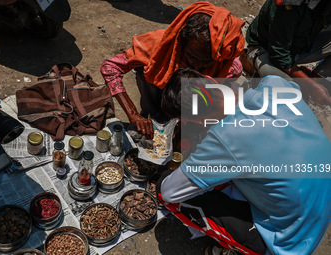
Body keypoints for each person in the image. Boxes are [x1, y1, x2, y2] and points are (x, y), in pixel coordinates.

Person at [157, 68, 331, 255]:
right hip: (321, 209)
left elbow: (170, 192)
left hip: (290, 242)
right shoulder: (274, 83)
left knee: (164, 187)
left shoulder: (225, 137)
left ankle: (242, 248)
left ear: (196, 121)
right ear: (212, 80)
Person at [101, 1, 245, 138]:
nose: (195, 67)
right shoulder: (157, 45)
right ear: (181, 40)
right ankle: (151, 115)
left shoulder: (226, 63)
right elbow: (110, 68)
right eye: (191, 57)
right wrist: (132, 113)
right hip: (154, 100)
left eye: (205, 62)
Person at [245, 0, 331, 106]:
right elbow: (278, 54)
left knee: (300, 90)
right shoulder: (292, 3)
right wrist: (309, 84)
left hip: (296, 49)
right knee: (293, 94)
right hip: (265, 51)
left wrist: (309, 81)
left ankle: (309, 82)